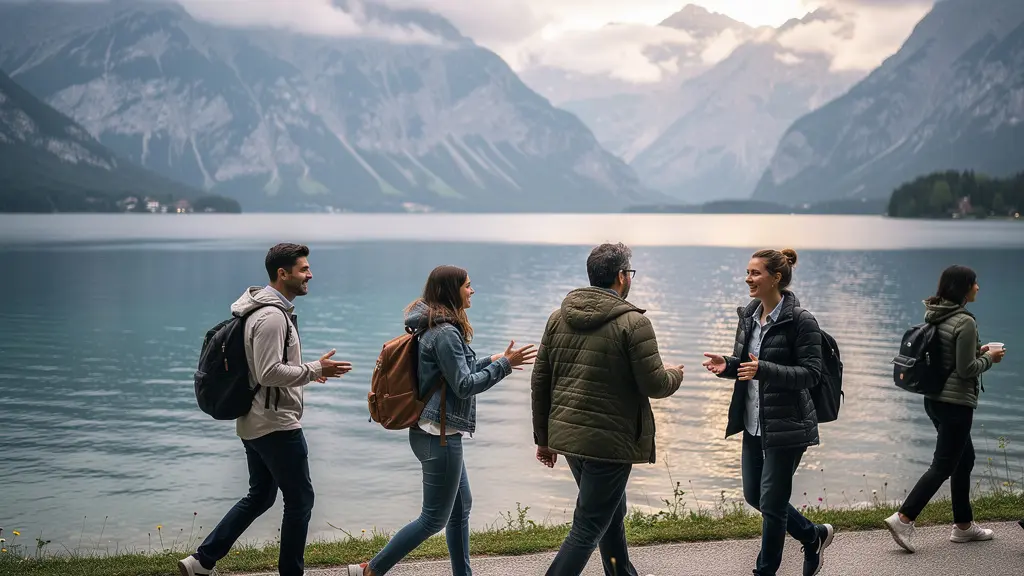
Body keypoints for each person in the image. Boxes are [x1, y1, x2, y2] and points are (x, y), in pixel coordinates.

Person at [349, 265, 537, 576]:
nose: (472, 291)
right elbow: (463, 385)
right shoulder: (446, 332)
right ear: (452, 291)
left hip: (430, 430)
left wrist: (490, 360)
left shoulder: (432, 326)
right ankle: (371, 570)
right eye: (467, 285)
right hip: (440, 435)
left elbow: (449, 373)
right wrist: (503, 366)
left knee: (460, 508)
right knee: (433, 518)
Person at [178, 243, 353, 576]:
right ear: (282, 274)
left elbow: (269, 370)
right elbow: (268, 372)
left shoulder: (264, 312)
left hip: (255, 420)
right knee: (301, 500)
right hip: (275, 424)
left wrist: (304, 373)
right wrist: (315, 369)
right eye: (303, 269)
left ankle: (201, 561)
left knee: (260, 496)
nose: (310, 274)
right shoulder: (272, 317)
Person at [531, 242, 685, 576]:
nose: (629, 278)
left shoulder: (558, 318)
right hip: (610, 443)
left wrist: (543, 439)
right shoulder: (633, 324)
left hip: (569, 438)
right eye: (629, 273)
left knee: (610, 513)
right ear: (620, 277)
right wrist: (676, 375)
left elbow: (540, 381)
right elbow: (654, 385)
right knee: (588, 525)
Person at [702, 248, 834, 576]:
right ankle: (812, 534)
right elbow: (748, 368)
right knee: (754, 495)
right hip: (753, 423)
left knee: (772, 506)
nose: (748, 278)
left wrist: (765, 370)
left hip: (788, 425)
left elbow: (811, 374)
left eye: (755, 273)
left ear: (776, 277)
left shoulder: (801, 321)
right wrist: (728, 365)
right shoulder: (748, 317)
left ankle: (764, 572)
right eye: (747, 272)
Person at [884, 264, 1005, 552]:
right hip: (956, 404)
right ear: (964, 288)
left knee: (964, 460)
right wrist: (991, 359)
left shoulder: (937, 314)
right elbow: (966, 371)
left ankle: (963, 527)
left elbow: (950, 356)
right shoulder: (964, 321)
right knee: (944, 464)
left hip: (934, 400)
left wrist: (978, 350)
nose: (978, 288)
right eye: (974, 284)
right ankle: (904, 518)